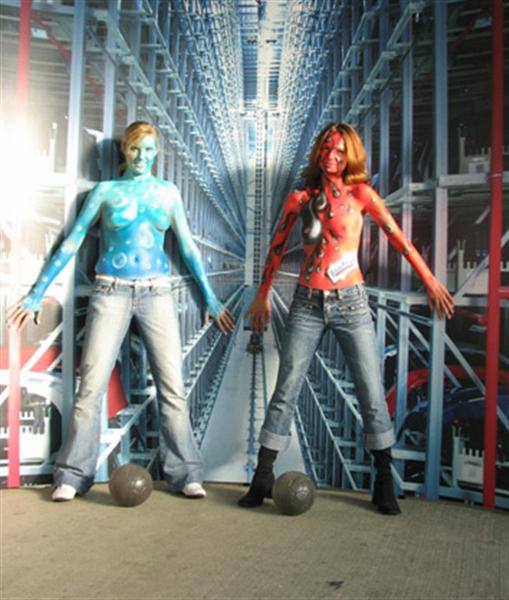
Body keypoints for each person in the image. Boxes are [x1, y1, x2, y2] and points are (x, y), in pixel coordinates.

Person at [8, 121, 235, 501]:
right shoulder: (106, 192)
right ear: (124, 151)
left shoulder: (168, 193)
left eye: (148, 150)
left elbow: (188, 247)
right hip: (110, 291)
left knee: (172, 387)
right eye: (135, 149)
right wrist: (37, 292)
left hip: (157, 292)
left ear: (157, 152)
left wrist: (209, 297)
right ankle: (72, 476)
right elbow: (73, 240)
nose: (142, 157)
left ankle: (186, 473)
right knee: (90, 387)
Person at [239, 122, 454, 515]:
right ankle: (263, 475)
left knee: (370, 389)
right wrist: (262, 295)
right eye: (326, 148)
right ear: (318, 152)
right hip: (307, 302)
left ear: (350, 154)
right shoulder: (301, 198)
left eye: (339, 150)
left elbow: (399, 239)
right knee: (287, 386)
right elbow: (276, 248)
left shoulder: (361, 195)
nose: (331, 156)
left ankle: (384, 480)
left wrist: (430, 280)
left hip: (351, 303)